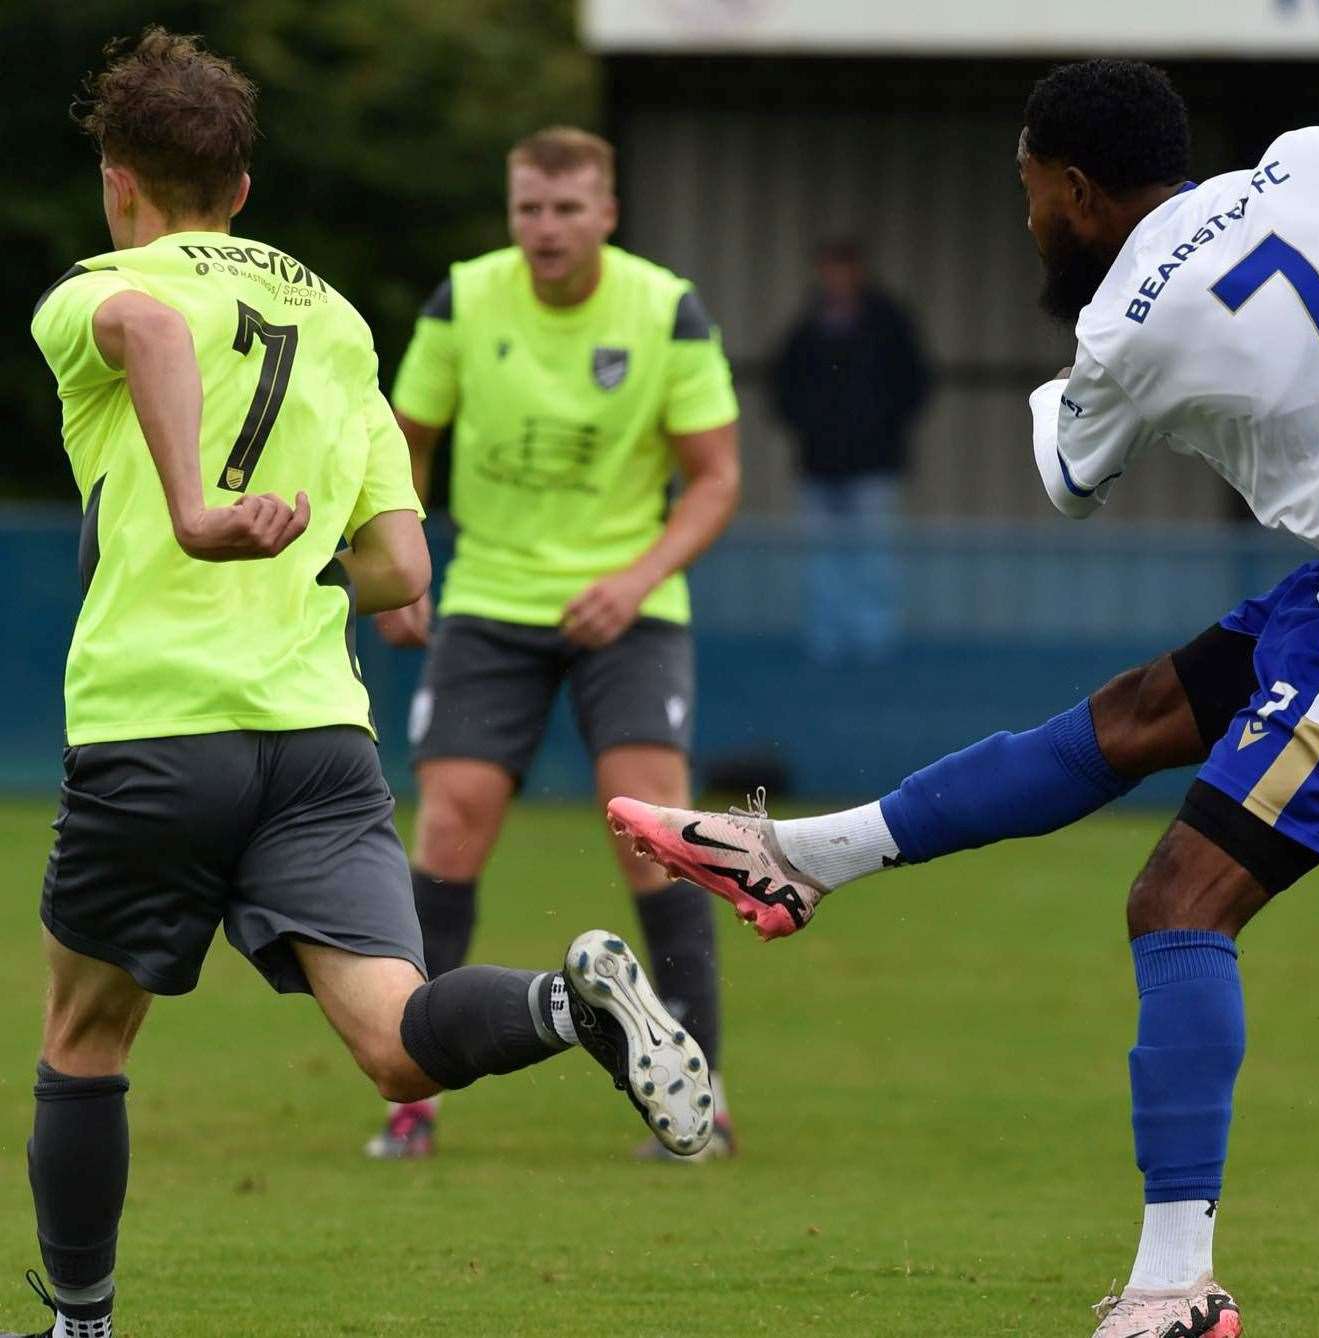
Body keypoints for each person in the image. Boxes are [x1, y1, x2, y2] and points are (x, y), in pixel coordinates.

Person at [610, 61, 1319, 1336]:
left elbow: (1071, 478)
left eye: (1029, 193)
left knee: (1175, 902)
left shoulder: (1125, 326)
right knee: (1137, 715)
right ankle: (801, 858)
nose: (1027, 218)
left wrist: (1064, 390)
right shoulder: (1309, 162)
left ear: (1077, 190)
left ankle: (1175, 1286)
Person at [7, 30, 713, 1338]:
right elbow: (396, 565)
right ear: (245, 186)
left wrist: (202, 509)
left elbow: (147, 324)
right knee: (393, 1036)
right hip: (321, 742)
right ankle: (570, 1002)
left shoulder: (110, 278)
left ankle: (81, 1323)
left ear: (120, 180)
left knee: (84, 1031)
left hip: (159, 726)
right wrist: (294, 560)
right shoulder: (335, 320)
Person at [369, 126, 743, 1160]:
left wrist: (634, 580)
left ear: (607, 214)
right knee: (447, 828)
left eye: (567, 208)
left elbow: (716, 478)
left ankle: (697, 1103)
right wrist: (399, 566)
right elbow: (404, 447)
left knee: (655, 834)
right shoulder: (463, 298)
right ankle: (413, 1096)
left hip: (628, 609)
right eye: (529, 207)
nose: (545, 227)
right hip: (489, 601)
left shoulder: (666, 308)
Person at [772, 238, 931, 664]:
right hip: (819, 463)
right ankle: (827, 642)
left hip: (873, 463)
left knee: (872, 557)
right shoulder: (808, 324)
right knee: (823, 559)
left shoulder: (888, 322)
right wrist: (808, 427)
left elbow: (914, 382)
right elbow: (783, 384)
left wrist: (882, 426)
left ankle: (873, 643)